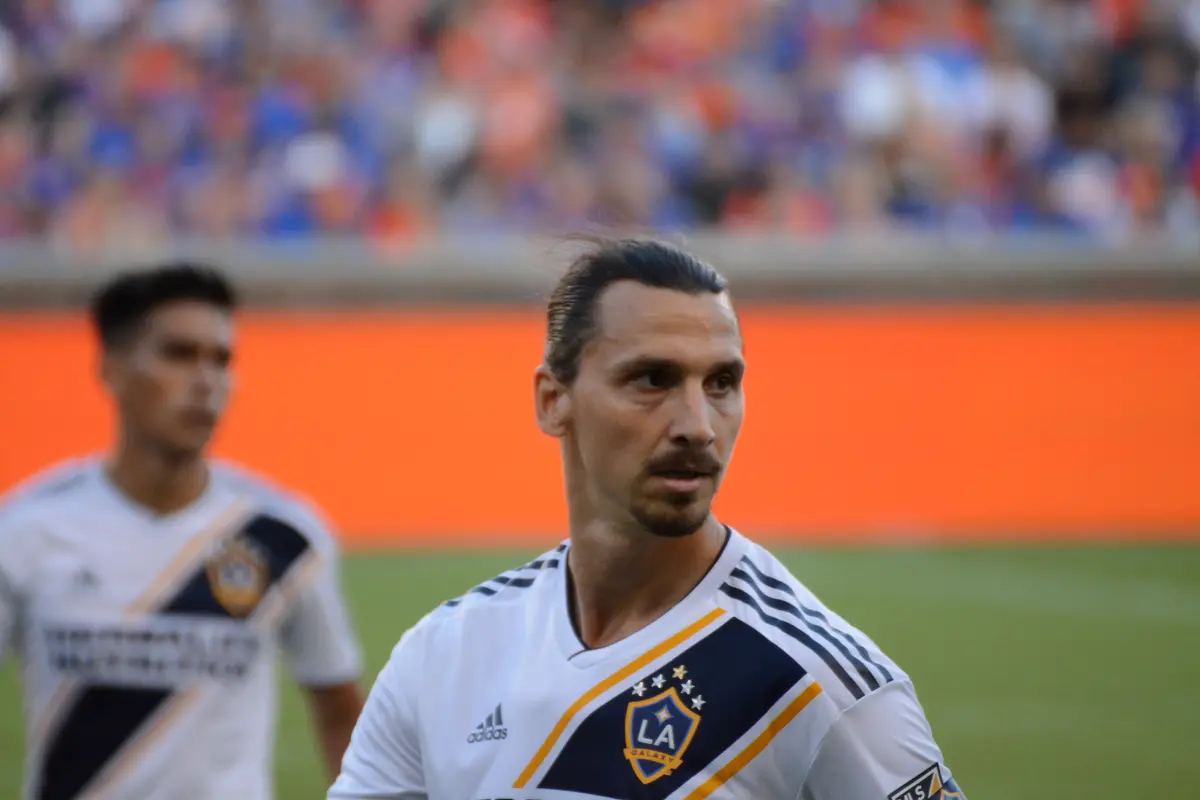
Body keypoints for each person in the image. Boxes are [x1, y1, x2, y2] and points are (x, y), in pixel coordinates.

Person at [328, 238, 967, 800]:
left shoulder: (815, 681)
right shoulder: (446, 653)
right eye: (652, 379)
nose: (697, 425)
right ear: (554, 401)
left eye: (721, 382)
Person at [0, 262, 366, 799]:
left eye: (221, 360)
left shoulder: (282, 534)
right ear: (112, 369)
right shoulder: (24, 530)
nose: (205, 382)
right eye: (178, 355)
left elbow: (340, 711)